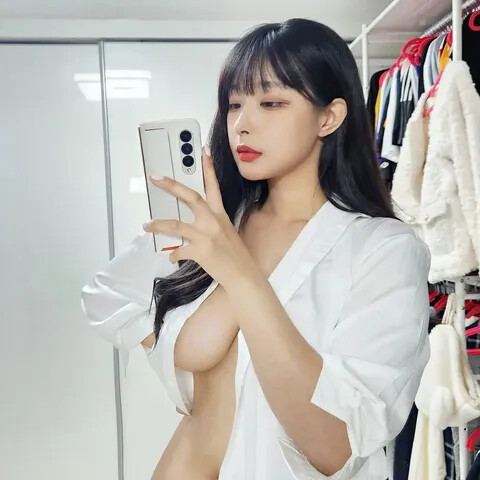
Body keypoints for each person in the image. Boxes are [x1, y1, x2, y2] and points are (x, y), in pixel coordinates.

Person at [81, 18, 431, 480]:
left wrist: (240, 274)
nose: (242, 125)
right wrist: (167, 345)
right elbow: (105, 293)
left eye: (271, 103)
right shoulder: (216, 222)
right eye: (234, 105)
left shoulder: (383, 250)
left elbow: (335, 446)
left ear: (329, 117)